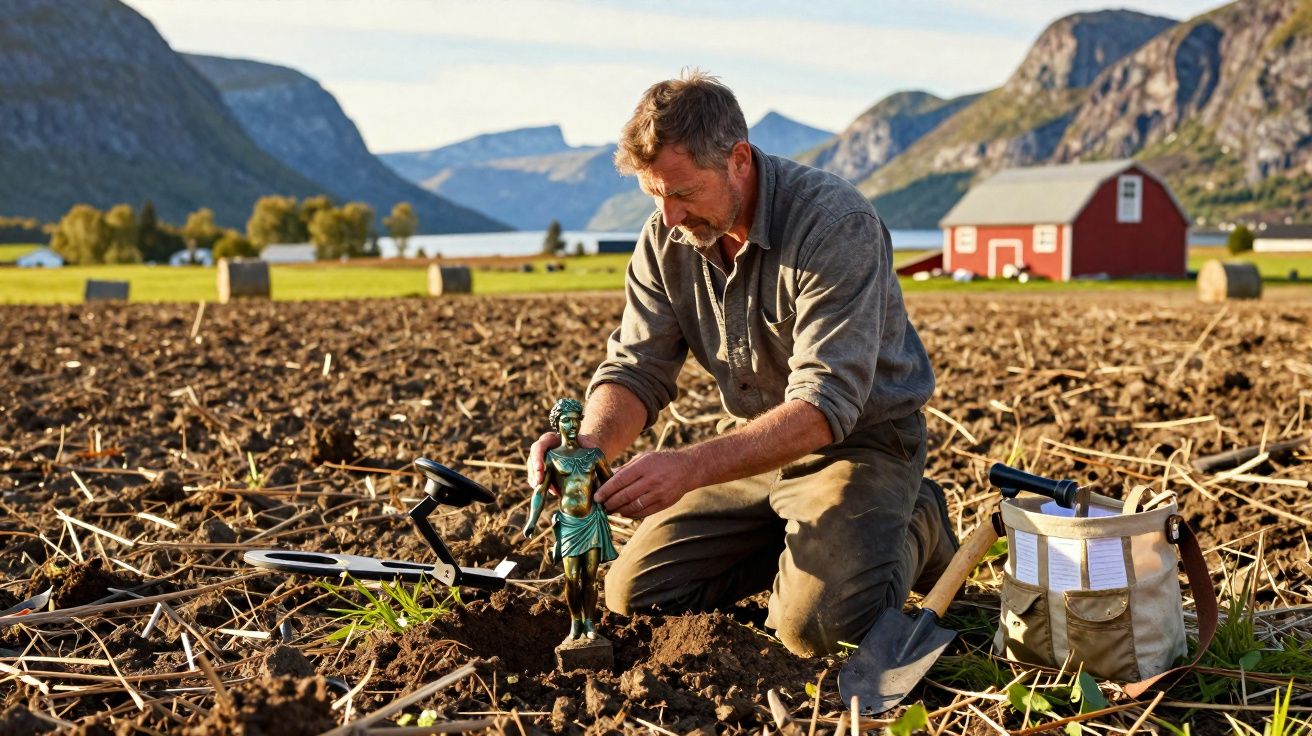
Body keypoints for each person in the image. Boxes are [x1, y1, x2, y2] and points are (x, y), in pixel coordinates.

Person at [527, 70, 955, 657]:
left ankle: (916, 522)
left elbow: (824, 406)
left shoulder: (835, 226)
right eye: (655, 196)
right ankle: (800, 540)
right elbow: (635, 370)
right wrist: (587, 448)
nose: (669, 216)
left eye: (682, 193)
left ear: (738, 160)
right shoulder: (666, 238)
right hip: (756, 449)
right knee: (634, 594)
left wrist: (689, 467)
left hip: (860, 443)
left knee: (817, 632)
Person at [523, 398, 618, 641]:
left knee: (591, 576)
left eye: (577, 420)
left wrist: (626, 497)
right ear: (557, 424)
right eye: (566, 420)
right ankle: (575, 621)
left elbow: (611, 482)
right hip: (568, 524)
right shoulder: (553, 457)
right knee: (572, 577)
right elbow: (540, 491)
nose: (573, 425)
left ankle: (590, 622)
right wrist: (532, 521)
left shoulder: (593, 455)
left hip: (592, 520)